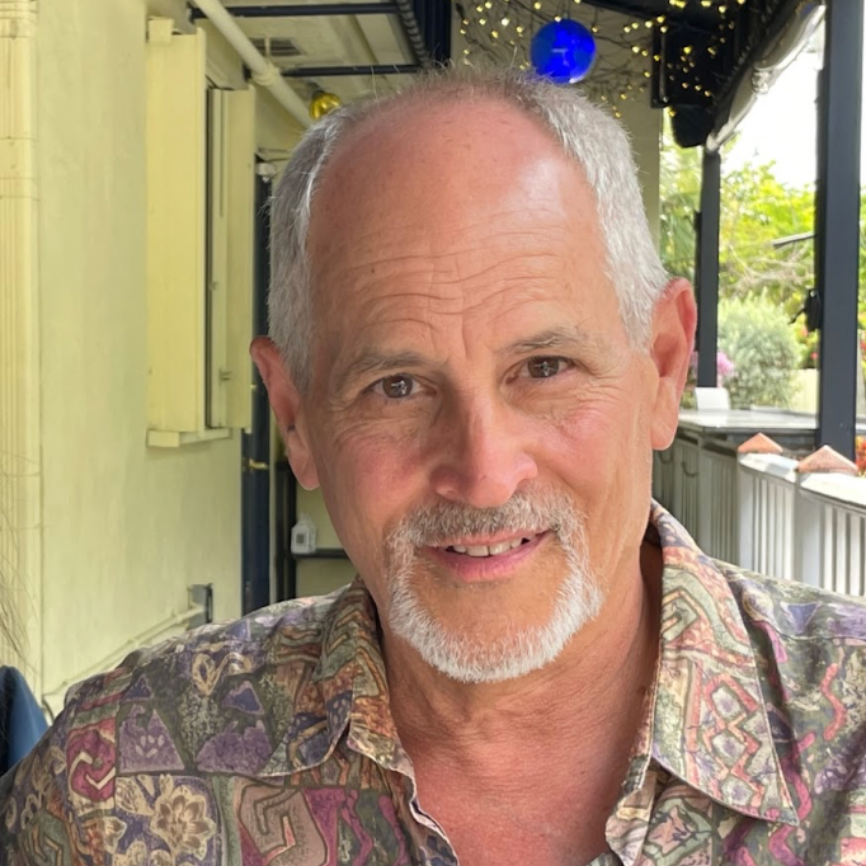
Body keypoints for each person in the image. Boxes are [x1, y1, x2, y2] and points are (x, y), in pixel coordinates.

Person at [3, 66, 866, 866]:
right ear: (294, 413)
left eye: (545, 368)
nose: (484, 474)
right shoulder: (119, 784)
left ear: (664, 365)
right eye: (398, 386)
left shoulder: (850, 745)